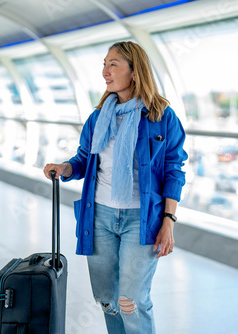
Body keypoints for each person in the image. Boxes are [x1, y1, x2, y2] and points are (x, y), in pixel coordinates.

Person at [43, 41, 187, 334]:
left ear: (135, 72)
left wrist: (169, 221)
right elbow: (85, 159)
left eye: (113, 64)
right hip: (99, 217)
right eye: (104, 64)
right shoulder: (98, 117)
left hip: (140, 219)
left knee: (131, 300)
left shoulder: (161, 116)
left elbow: (174, 168)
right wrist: (66, 169)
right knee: (107, 299)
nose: (105, 72)